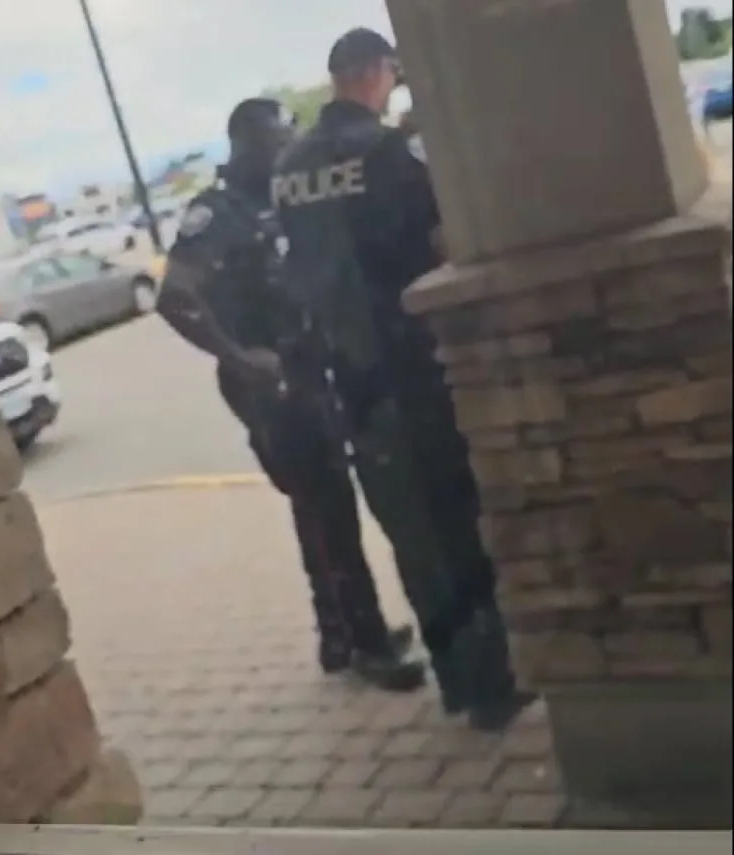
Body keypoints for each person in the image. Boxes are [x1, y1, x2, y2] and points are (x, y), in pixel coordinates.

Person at [271, 31, 535, 730]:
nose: (394, 84)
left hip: (346, 380)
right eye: (392, 72)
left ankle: (455, 679)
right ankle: (491, 685)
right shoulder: (389, 153)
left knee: (411, 534)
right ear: (369, 72)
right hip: (411, 367)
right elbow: (443, 238)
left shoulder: (290, 164)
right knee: (454, 524)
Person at [156, 97, 425, 694]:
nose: (286, 145)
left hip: (306, 370)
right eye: (277, 137)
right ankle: (370, 643)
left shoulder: (274, 197)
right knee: (328, 506)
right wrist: (239, 356)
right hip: (271, 385)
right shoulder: (216, 213)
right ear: (247, 142)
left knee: (318, 507)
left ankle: (338, 636)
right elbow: (175, 298)